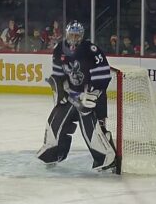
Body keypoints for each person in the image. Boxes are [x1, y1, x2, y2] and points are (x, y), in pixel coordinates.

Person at [37, 20, 116, 171]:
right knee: (56, 121)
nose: (73, 37)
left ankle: (107, 158)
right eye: (71, 34)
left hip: (92, 96)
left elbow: (103, 73)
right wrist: (60, 90)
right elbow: (58, 75)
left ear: (81, 36)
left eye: (76, 35)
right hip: (71, 95)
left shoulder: (91, 49)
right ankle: (54, 153)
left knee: (96, 129)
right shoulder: (60, 48)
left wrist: (94, 92)